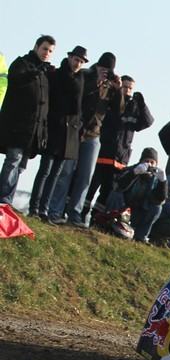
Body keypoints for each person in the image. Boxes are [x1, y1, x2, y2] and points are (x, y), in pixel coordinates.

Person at [48, 51, 120, 227]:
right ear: (97, 66)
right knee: (66, 172)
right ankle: (55, 211)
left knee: (85, 176)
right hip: (75, 129)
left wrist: (118, 90)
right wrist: (96, 83)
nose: (105, 72)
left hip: (94, 133)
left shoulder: (111, 85)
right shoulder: (85, 75)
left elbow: (118, 110)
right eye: (103, 68)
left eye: (108, 70)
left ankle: (75, 213)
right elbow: (78, 97)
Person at [84, 74, 154, 221]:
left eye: (130, 88)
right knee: (90, 186)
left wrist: (142, 104)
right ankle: (80, 213)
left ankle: (96, 218)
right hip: (103, 152)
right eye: (125, 87)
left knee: (107, 191)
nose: (127, 90)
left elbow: (147, 122)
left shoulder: (135, 107)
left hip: (120, 157)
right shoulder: (110, 101)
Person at [27, 46, 86, 219]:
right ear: (69, 58)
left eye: (81, 62)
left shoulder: (81, 79)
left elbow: (79, 106)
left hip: (70, 133)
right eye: (76, 59)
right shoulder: (56, 74)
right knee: (45, 170)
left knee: (56, 173)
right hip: (54, 128)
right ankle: (34, 208)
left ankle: (44, 208)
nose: (78, 64)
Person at [0, 35, 55, 206]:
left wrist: (43, 132)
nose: (47, 53)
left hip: (34, 132)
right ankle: (3, 200)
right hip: (17, 127)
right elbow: (16, 80)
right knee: (12, 161)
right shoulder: (21, 64)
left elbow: (45, 107)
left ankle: (8, 201)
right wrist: (35, 72)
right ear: (36, 47)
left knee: (21, 166)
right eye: (44, 48)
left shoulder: (45, 74)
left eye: (50, 51)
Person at [107, 147, 167, 242]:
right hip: (123, 211)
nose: (149, 165)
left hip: (139, 213)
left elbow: (160, 200)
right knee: (115, 194)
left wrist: (163, 182)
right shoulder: (131, 170)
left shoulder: (156, 179)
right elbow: (119, 185)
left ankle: (140, 236)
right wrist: (134, 173)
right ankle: (112, 225)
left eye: (152, 162)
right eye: (146, 161)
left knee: (157, 208)